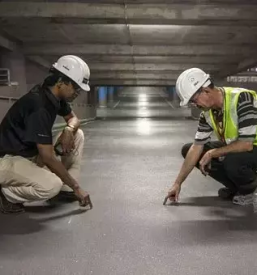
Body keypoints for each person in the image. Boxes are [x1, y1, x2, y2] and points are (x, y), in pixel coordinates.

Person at [0, 55, 92, 214]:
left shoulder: (54, 97)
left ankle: (65, 188)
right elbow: (48, 156)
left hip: (29, 154)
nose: (77, 92)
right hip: (7, 160)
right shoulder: (38, 105)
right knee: (51, 186)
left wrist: (69, 129)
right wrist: (77, 188)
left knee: (78, 135)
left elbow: (74, 119)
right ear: (62, 82)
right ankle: (6, 194)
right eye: (76, 87)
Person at [166, 68, 257, 206]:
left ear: (206, 90)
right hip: (245, 149)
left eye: (194, 100)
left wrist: (213, 152)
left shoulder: (242, 98)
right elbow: (197, 147)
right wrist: (177, 183)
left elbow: (246, 144)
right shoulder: (207, 113)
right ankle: (235, 187)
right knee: (189, 149)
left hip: (250, 145)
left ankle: (250, 191)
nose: (195, 105)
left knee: (232, 160)